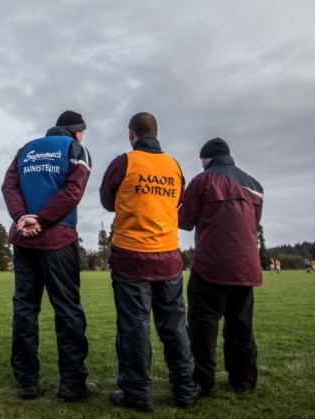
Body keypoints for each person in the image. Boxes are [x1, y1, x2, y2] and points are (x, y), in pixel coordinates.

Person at [100, 112, 201, 411]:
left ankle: (137, 392)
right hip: (168, 256)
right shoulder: (174, 165)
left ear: (132, 134)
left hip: (131, 256)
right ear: (156, 134)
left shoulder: (124, 162)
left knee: (134, 326)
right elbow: (177, 201)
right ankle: (185, 388)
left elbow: (107, 201)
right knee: (174, 326)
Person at [1, 110, 97, 401]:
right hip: (57, 238)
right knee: (67, 310)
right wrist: (42, 220)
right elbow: (73, 192)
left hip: (24, 241)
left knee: (25, 311)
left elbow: (9, 185)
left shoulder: (25, 149)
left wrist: (22, 218)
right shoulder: (75, 149)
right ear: (77, 131)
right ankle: (71, 383)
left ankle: (26, 382)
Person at [178, 137, 264, 396]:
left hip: (210, 265)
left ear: (208, 158)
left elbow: (184, 220)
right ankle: (244, 381)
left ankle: (204, 383)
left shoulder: (202, 181)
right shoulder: (255, 186)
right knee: (241, 326)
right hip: (246, 266)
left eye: (202, 159)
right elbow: (255, 221)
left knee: (203, 326)